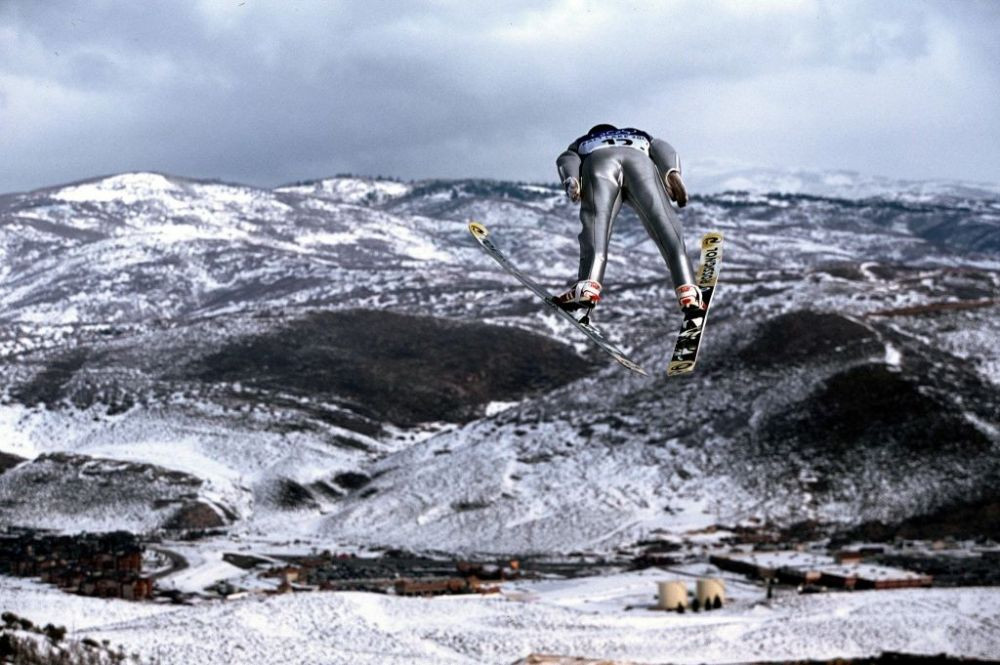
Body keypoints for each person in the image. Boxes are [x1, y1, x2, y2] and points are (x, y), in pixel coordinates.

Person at [553, 123, 702, 316]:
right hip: (639, 159)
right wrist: (671, 170)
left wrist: (571, 178)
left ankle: (588, 285)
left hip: (598, 161)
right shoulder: (638, 134)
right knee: (664, 222)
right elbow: (660, 146)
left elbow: (566, 158)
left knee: (597, 222)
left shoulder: (583, 142)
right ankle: (687, 288)